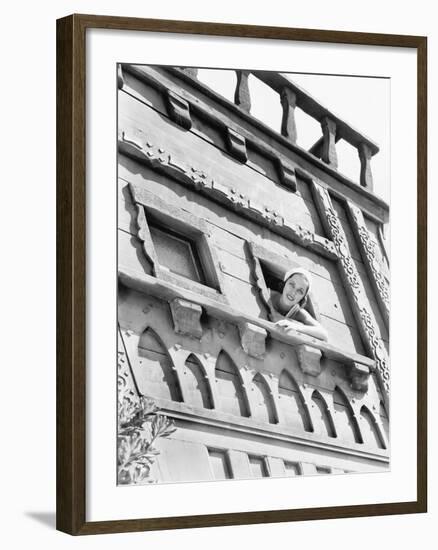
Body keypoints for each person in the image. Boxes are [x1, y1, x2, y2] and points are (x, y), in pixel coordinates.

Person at [268, 268, 328, 341]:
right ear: (285, 283)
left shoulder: (299, 313)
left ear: (302, 298)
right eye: (292, 284)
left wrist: (295, 326)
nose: (293, 292)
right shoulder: (267, 294)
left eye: (300, 291)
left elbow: (324, 334)